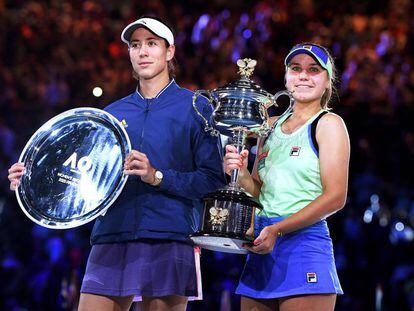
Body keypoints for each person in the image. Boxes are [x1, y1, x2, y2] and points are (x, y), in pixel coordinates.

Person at [8, 16, 225, 311]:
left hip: (168, 234)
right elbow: (83, 170)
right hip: (111, 233)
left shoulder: (197, 107)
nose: (143, 52)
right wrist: (34, 177)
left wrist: (157, 176)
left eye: (152, 44)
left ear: (169, 52)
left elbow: (212, 180)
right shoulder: (111, 113)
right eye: (135, 45)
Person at [223, 43, 350, 311]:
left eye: (313, 70)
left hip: (303, 246)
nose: (303, 76)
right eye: (296, 69)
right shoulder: (267, 126)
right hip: (261, 245)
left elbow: (336, 197)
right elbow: (258, 191)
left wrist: (278, 229)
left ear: (327, 81)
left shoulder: (329, 124)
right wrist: (241, 174)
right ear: (286, 77)